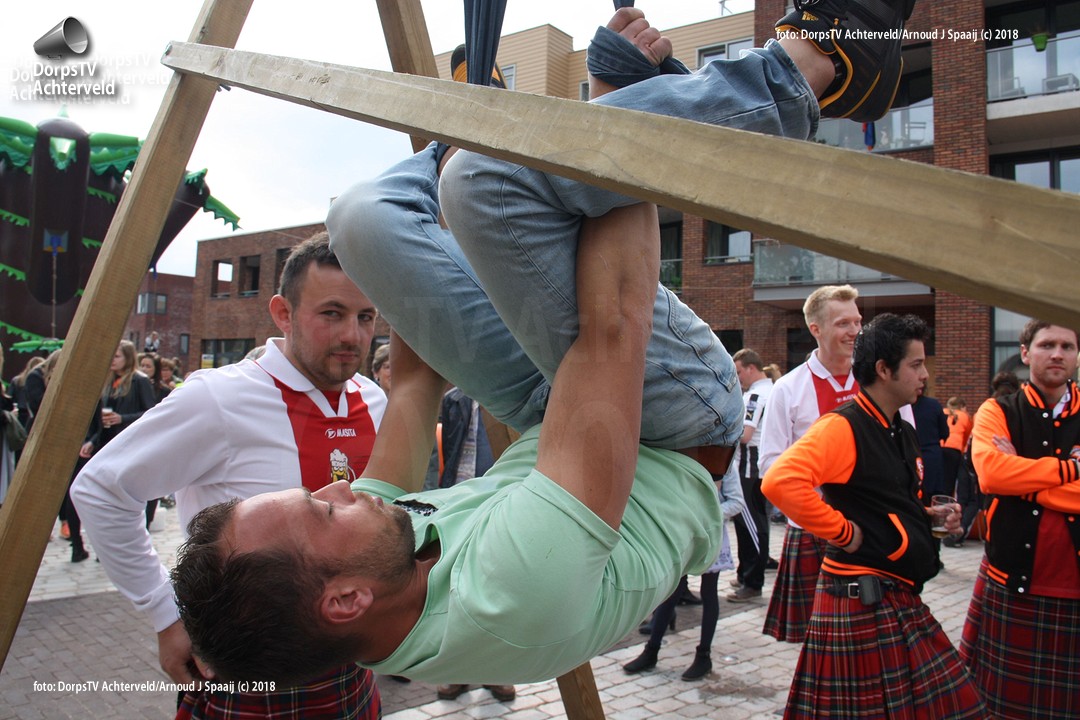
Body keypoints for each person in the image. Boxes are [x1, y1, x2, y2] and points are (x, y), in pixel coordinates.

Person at [168, 1, 920, 685]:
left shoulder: (361, 572)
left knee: (361, 218)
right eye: (325, 511)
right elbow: (614, 322)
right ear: (347, 599)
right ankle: (818, 66)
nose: (339, 487)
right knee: (488, 185)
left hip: (552, 411)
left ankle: (507, 125)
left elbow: (412, 387)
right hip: (672, 426)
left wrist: (425, 255)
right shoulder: (516, 593)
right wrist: (603, 112)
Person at [72, 234, 387, 720]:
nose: (353, 335)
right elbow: (101, 488)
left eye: (365, 317)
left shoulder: (374, 398)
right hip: (249, 679)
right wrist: (165, 614)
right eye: (332, 313)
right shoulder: (219, 399)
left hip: (352, 671)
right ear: (282, 313)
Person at [762, 313, 987, 718]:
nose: (924, 374)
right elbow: (779, 482)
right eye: (916, 365)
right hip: (862, 599)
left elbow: (888, 499)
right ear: (884, 370)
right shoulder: (843, 427)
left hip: (895, 594)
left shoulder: (899, 427)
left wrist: (927, 516)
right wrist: (843, 532)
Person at [959, 320, 1080, 719]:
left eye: (1067, 346)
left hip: (1074, 586)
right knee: (1002, 710)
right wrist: (1069, 471)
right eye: (1047, 345)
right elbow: (993, 475)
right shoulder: (996, 409)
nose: (1058, 354)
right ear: (1026, 353)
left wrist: (1022, 477)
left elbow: (1007, 477)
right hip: (1013, 582)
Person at [758, 285, 862, 642]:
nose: (854, 331)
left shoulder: (876, 380)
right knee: (818, 641)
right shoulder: (788, 389)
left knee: (865, 636)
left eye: (857, 322)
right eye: (843, 323)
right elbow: (769, 465)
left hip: (871, 524)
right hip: (814, 530)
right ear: (816, 329)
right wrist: (819, 508)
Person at [622, 459, 746, 680]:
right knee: (670, 592)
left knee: (709, 594)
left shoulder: (725, 463)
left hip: (710, 535)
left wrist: (705, 515)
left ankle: (703, 656)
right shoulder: (687, 456)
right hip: (682, 536)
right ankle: (652, 650)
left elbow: (737, 502)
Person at [728, 348, 773, 603]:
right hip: (761, 467)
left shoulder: (755, 395)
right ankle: (746, 574)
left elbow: (744, 435)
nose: (738, 378)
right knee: (752, 522)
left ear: (751, 368)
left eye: (738, 372)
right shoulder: (773, 389)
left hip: (750, 467)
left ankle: (752, 580)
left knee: (752, 524)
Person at [912, 387, 949, 500]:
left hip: (910, 457)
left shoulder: (901, 407)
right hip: (932, 458)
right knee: (934, 498)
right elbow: (945, 432)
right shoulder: (933, 405)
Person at [941, 396, 972, 497]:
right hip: (954, 449)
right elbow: (967, 435)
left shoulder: (943, 412)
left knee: (940, 477)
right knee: (950, 480)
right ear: (962, 407)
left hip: (940, 446)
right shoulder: (964, 416)